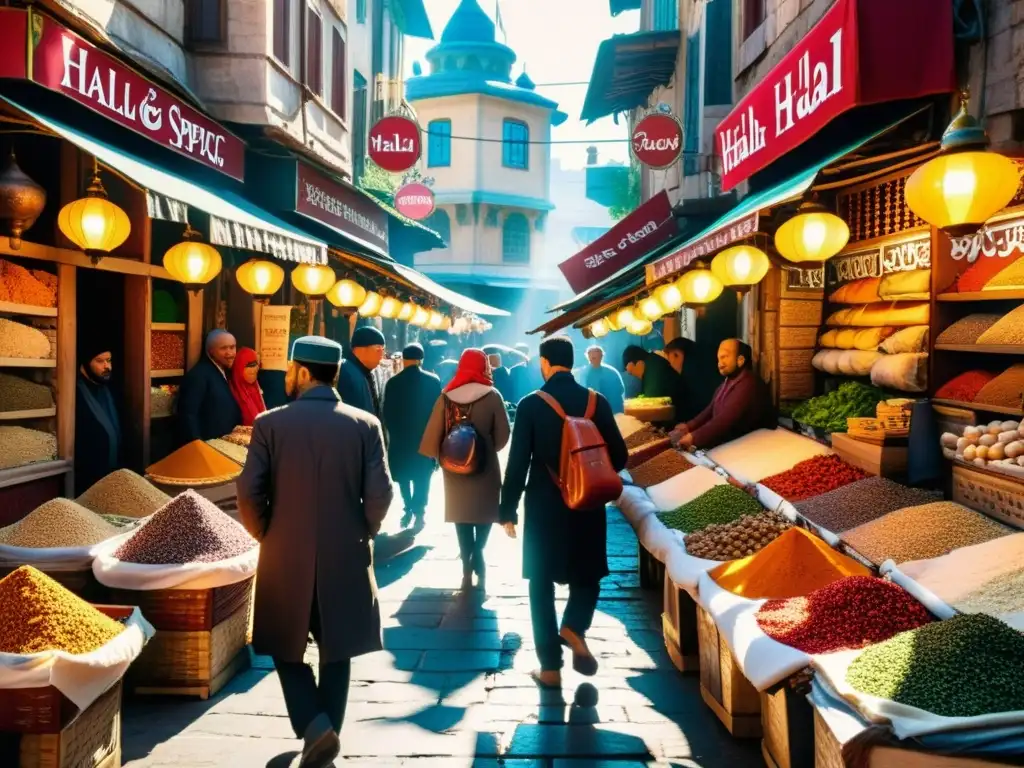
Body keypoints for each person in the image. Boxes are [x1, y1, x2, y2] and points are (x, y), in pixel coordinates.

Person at [237, 336, 393, 768]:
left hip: (285, 552)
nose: (287, 375)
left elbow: (249, 492)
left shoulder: (271, 423)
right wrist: (364, 529)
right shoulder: (364, 424)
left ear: (302, 372)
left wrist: (266, 531)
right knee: (336, 648)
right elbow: (381, 494)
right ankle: (325, 734)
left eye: (290, 369)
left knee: (283, 646)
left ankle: (314, 726)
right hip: (347, 549)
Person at [499, 336, 628, 688]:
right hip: (587, 502)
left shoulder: (530, 405)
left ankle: (550, 669)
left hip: (544, 505)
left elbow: (517, 464)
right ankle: (574, 625)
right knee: (588, 574)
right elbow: (620, 456)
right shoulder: (595, 402)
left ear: (544, 362)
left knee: (540, 584)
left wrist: (507, 509)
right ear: (572, 363)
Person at [419, 349, 510, 591]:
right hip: (486, 467)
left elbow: (433, 432)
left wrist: (441, 456)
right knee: (485, 513)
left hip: (454, 468)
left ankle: (466, 562)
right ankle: (479, 551)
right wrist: (488, 449)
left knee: (462, 516)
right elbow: (503, 436)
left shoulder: (447, 395)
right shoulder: (492, 396)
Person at [671, 338, 774, 450]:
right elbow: (710, 411)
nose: (720, 363)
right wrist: (687, 427)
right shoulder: (728, 381)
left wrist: (693, 437)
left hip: (748, 448)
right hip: (728, 445)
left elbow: (724, 420)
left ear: (740, 360)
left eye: (724, 357)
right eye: (718, 359)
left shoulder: (749, 383)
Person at [383, 343, 441, 527]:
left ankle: (408, 506)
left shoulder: (393, 382)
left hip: (401, 438)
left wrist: (393, 433)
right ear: (420, 360)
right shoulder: (433, 381)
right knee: (423, 475)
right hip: (425, 436)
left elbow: (387, 412)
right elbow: (438, 411)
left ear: (404, 360)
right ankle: (419, 511)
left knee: (403, 475)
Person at [74, 336, 122, 495]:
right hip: (85, 482)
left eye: (109, 360)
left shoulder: (109, 388)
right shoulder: (74, 393)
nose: (107, 366)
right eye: (99, 361)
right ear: (86, 363)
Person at [177, 329, 242, 444]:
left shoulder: (225, 371)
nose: (230, 353)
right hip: (208, 446)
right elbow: (188, 415)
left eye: (232, 347)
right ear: (211, 351)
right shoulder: (199, 375)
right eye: (223, 348)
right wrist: (197, 444)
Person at [337, 326, 386, 420]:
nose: (382, 354)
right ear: (360, 349)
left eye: (383, 350)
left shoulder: (365, 373)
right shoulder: (347, 373)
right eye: (378, 349)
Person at [662, 337, 703, 423]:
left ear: (677, 355)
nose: (670, 364)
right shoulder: (700, 371)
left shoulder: (689, 380)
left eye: (669, 358)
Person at [575, 345, 625, 414]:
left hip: (613, 410)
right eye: (592, 356)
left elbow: (620, 390)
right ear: (588, 356)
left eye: (596, 356)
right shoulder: (583, 373)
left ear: (602, 356)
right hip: (592, 411)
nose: (594, 358)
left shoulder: (612, 372)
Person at [229, 347, 267, 427]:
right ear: (240, 366)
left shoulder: (256, 387)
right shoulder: (232, 391)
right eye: (250, 365)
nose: (255, 368)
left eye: (256, 364)